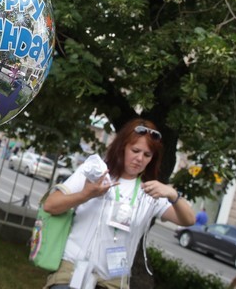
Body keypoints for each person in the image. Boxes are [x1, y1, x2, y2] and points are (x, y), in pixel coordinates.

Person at [42, 118, 196, 289]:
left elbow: (188, 220)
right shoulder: (95, 172)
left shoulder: (151, 191)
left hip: (112, 281)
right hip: (72, 272)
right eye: (135, 150)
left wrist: (173, 195)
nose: (139, 159)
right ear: (122, 147)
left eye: (147, 155)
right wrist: (86, 195)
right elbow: (50, 205)